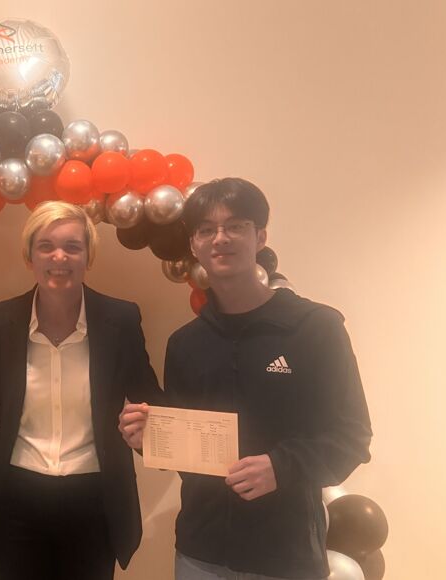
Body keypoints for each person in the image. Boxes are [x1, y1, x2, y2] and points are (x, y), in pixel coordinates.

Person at [119, 178, 372, 580]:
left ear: (260, 236)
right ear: (194, 245)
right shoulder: (185, 343)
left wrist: (280, 467)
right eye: (206, 229)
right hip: (199, 555)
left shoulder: (315, 328)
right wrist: (147, 439)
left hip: (285, 556)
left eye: (235, 226)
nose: (220, 238)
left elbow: (352, 437)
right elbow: (187, 456)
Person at [0, 201, 163, 580]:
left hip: (94, 502)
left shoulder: (120, 319)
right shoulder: (0, 320)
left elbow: (150, 401)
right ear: (30, 257)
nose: (60, 257)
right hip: (13, 502)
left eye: (73, 247)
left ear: (88, 256)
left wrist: (152, 437)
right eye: (46, 246)